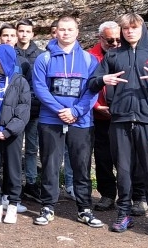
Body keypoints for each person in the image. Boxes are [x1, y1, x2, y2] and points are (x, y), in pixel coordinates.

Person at [90, 13, 148, 236]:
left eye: (133, 28)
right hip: (120, 120)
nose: (129, 32)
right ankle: (124, 212)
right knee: (124, 170)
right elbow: (92, 82)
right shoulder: (113, 55)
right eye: (126, 29)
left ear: (141, 29)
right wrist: (103, 80)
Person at [32, 15, 102, 228]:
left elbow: (93, 90)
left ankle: (84, 209)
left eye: (70, 29)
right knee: (50, 164)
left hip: (81, 121)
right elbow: (40, 88)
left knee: (81, 165)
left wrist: (76, 111)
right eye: (62, 29)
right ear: (56, 32)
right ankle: (48, 206)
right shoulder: (43, 59)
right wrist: (60, 110)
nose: (65, 33)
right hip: (50, 119)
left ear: (77, 32)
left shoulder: (90, 60)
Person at [0, 44, 31, 224]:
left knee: (13, 170)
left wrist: (9, 131)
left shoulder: (20, 81)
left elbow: (23, 109)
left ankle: (12, 205)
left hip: (13, 135)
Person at [86, 21, 121, 212]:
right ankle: (107, 194)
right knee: (103, 158)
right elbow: (85, 86)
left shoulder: (126, 52)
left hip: (123, 115)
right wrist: (97, 106)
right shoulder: (91, 57)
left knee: (127, 158)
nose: (115, 43)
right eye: (110, 40)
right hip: (99, 115)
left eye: (118, 39)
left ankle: (132, 196)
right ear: (101, 38)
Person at [14, 18, 43, 202]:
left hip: (34, 108)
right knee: (14, 149)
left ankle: (31, 182)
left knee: (32, 148)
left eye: (27, 31)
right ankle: (14, 183)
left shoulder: (40, 55)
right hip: (14, 110)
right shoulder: (10, 52)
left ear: (32, 34)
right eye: (21, 31)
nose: (23, 34)